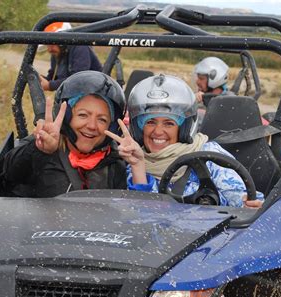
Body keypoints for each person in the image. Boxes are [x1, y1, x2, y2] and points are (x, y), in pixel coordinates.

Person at [105, 74, 263, 208]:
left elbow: (241, 197)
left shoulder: (210, 156)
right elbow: (142, 212)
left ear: (185, 128)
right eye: (150, 122)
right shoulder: (132, 161)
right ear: (139, 128)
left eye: (169, 123)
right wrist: (138, 165)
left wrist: (246, 203)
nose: (158, 131)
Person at [3, 71, 127, 197]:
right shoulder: (43, 143)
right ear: (66, 117)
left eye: (102, 119)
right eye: (83, 115)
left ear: (111, 127)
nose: (92, 126)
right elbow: (11, 173)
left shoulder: (114, 163)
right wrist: (40, 151)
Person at [39, 22, 103, 92]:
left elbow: (78, 79)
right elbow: (53, 76)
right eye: (47, 45)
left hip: (94, 94)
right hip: (77, 94)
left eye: (52, 44)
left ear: (63, 42)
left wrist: (50, 85)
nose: (49, 49)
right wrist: (39, 79)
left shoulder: (80, 47)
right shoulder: (57, 53)